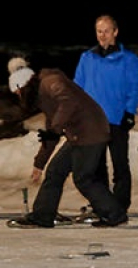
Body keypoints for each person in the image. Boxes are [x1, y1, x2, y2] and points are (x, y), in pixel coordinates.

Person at [6, 58, 128, 228]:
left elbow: (67, 102)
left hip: (90, 132)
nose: (19, 97)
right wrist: (39, 164)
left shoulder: (50, 82)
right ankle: (42, 215)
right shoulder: (44, 96)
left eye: (18, 93)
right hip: (79, 134)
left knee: (83, 178)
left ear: (23, 86)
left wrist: (55, 128)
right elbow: (51, 133)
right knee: (55, 171)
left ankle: (115, 214)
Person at [73, 14, 138, 217]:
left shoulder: (129, 59)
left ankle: (120, 206)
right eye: (99, 31)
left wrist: (130, 112)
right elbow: (78, 87)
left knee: (120, 164)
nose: (102, 35)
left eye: (106, 31)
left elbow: (135, 88)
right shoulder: (87, 58)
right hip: (92, 122)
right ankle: (102, 205)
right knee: (95, 166)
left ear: (115, 32)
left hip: (117, 119)